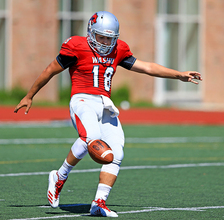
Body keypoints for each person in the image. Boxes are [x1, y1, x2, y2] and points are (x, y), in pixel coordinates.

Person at [14, 11, 202, 217]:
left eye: (110, 38)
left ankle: (99, 202)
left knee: (117, 153)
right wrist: (30, 95)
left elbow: (147, 67)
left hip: (105, 104)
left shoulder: (119, 49)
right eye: (101, 37)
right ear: (90, 32)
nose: (105, 42)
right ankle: (60, 176)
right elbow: (50, 70)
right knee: (90, 139)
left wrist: (179, 75)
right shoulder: (76, 45)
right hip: (82, 100)